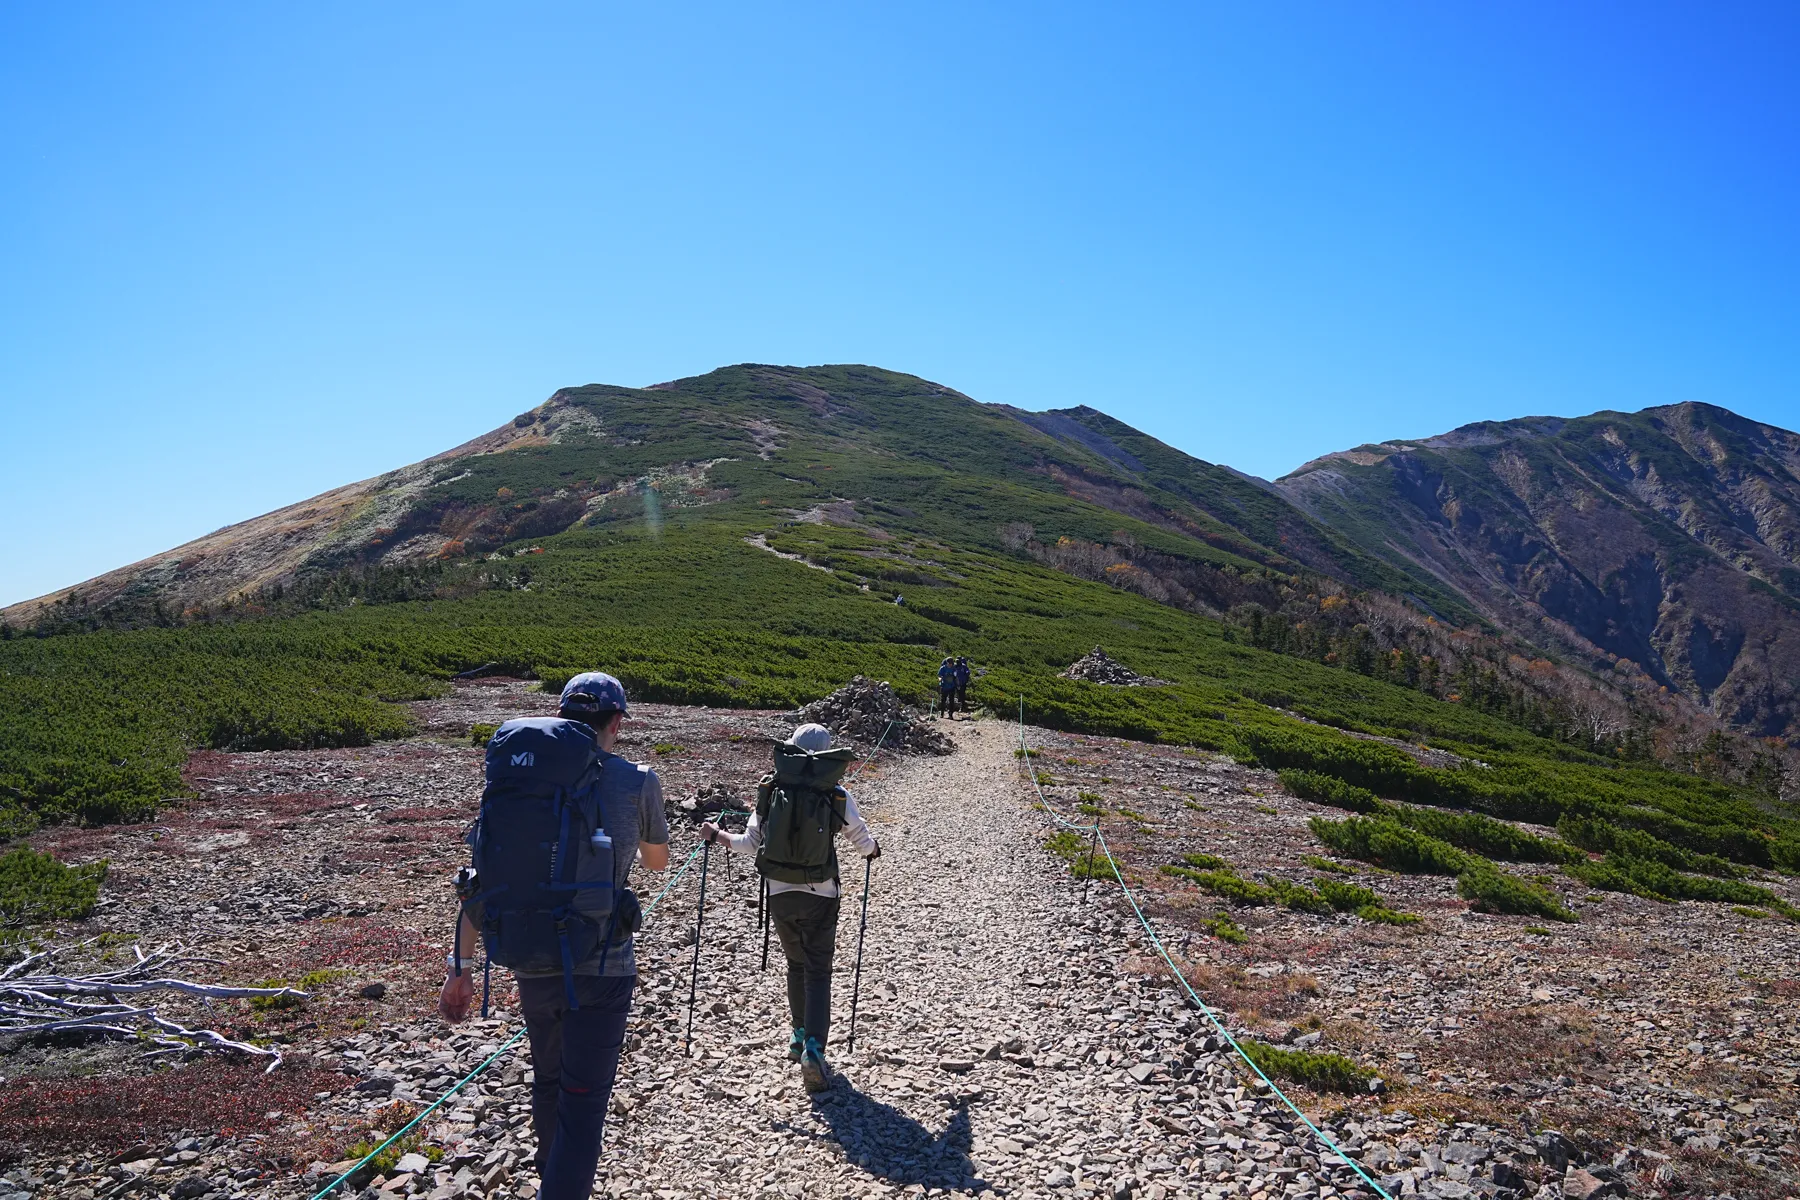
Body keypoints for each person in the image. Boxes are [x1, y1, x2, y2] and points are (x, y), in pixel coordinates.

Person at [439, 672, 670, 1200]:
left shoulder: (518, 780)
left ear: (563, 715)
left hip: (529, 955)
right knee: (584, 1100)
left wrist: (462, 969)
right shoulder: (636, 779)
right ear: (615, 722)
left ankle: (553, 1176)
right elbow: (657, 865)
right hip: (604, 963)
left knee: (548, 1081)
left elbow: (485, 877)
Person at [698, 723, 879, 1092]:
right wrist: (873, 850)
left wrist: (716, 835)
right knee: (818, 970)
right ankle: (814, 1048)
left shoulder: (769, 788)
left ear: (792, 751)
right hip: (822, 893)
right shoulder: (836, 793)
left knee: (795, 964)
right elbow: (861, 839)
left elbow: (750, 844)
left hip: (779, 892)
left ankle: (798, 1037)